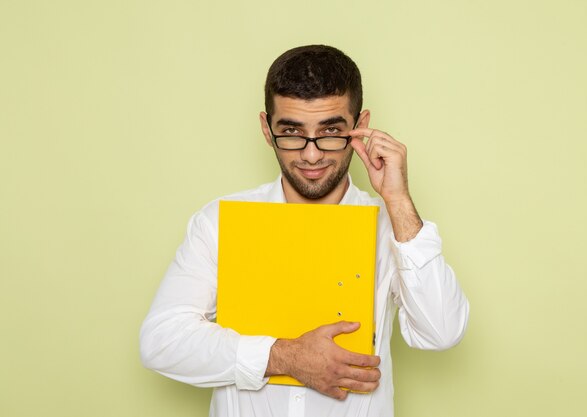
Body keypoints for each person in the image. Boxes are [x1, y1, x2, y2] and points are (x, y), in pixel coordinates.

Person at [140, 44, 469, 417]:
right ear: (266, 129)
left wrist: (398, 201)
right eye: (292, 132)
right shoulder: (218, 221)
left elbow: (441, 332)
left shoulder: (389, 225)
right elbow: (161, 342)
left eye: (330, 131)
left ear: (360, 127)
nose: (311, 155)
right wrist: (285, 357)